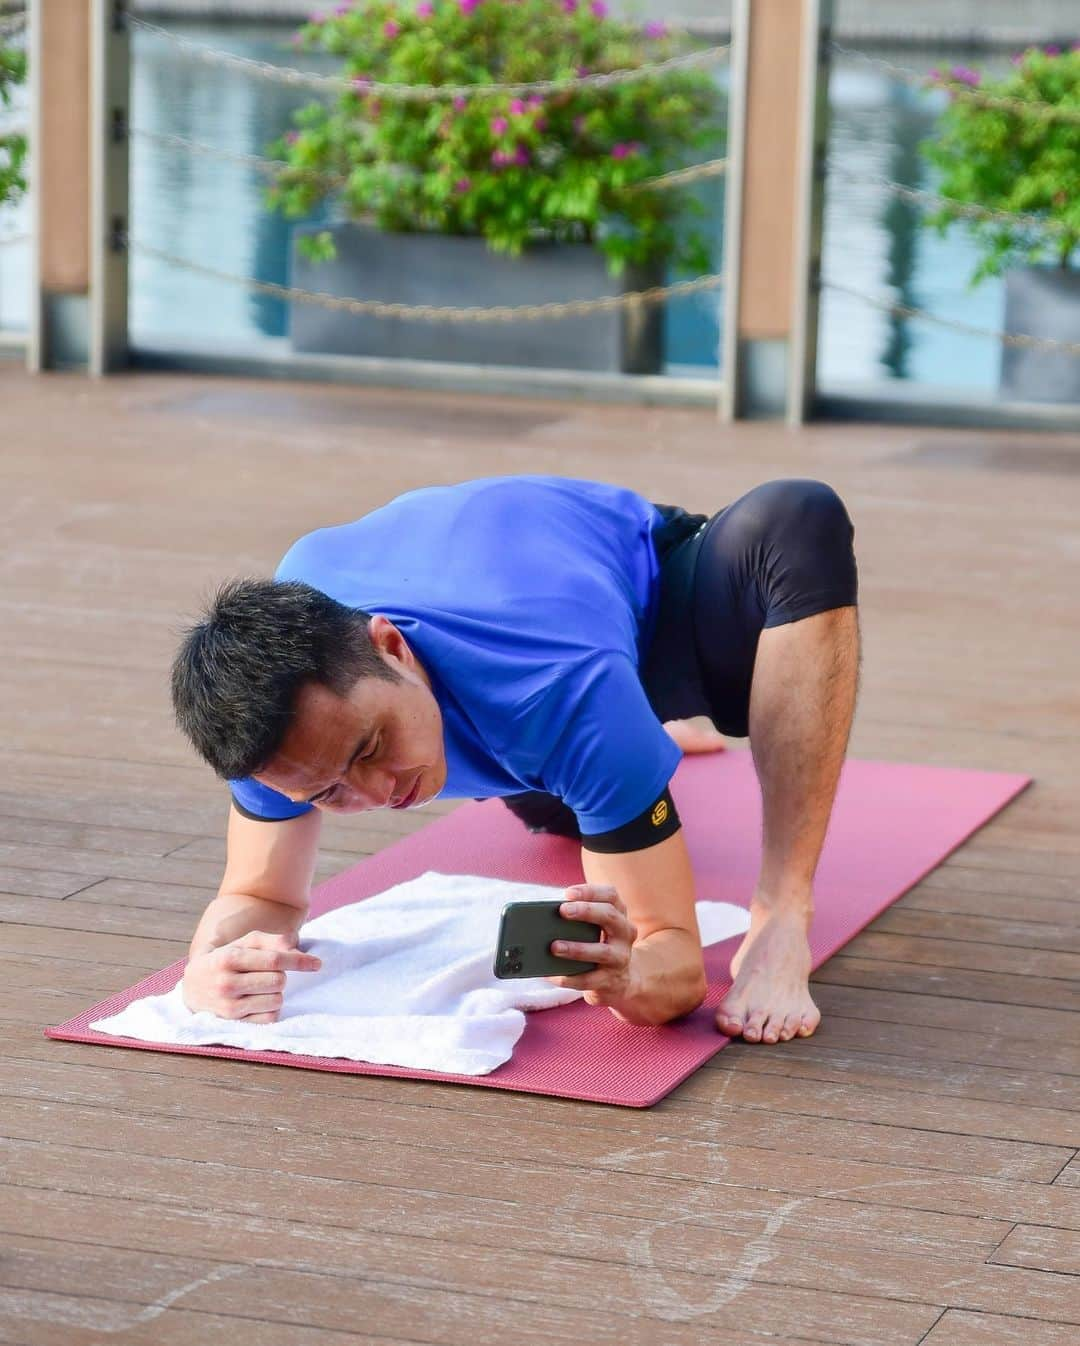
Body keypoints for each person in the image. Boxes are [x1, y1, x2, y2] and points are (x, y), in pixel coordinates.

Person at [172, 474, 859, 1044]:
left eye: (372, 749)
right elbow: (259, 896)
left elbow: (674, 959)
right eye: (327, 793)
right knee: (578, 777)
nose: (378, 792)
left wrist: (628, 978)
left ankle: (782, 909)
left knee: (797, 519)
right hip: (530, 723)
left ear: (392, 647)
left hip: (654, 618)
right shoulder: (272, 723)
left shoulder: (558, 691)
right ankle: (635, 751)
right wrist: (208, 969)